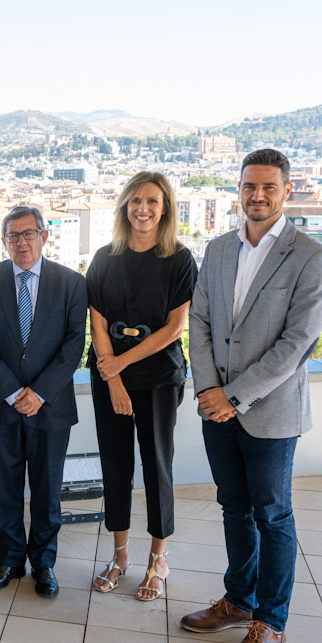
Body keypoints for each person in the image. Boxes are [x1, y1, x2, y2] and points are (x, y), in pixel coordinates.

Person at [181, 149, 322, 643]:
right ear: (238, 190)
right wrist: (208, 390)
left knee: (272, 514)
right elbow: (198, 322)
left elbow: (296, 344)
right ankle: (238, 601)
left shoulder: (311, 257)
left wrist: (234, 395)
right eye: (249, 186)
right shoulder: (219, 249)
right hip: (214, 406)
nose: (258, 195)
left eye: (269, 186)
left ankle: (271, 622)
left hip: (269, 413)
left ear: (288, 190)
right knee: (234, 507)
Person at [86, 172, 197, 601]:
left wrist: (120, 364)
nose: (143, 209)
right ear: (124, 207)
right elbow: (95, 319)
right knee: (115, 467)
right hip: (109, 375)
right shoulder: (104, 257)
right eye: (135, 201)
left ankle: (158, 560)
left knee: (157, 467)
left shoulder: (180, 259)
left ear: (165, 207)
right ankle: (120, 557)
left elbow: (174, 329)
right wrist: (112, 376)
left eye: (152, 201)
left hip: (158, 378)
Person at [0, 205, 87, 596]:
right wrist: (12, 392)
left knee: (47, 489)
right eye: (13, 236)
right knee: (5, 487)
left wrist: (38, 393)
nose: (21, 243)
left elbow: (74, 346)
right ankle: (9, 560)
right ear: (4, 241)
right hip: (2, 407)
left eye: (28, 234)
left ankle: (44, 563)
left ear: (44, 235)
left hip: (51, 407)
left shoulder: (71, 283)